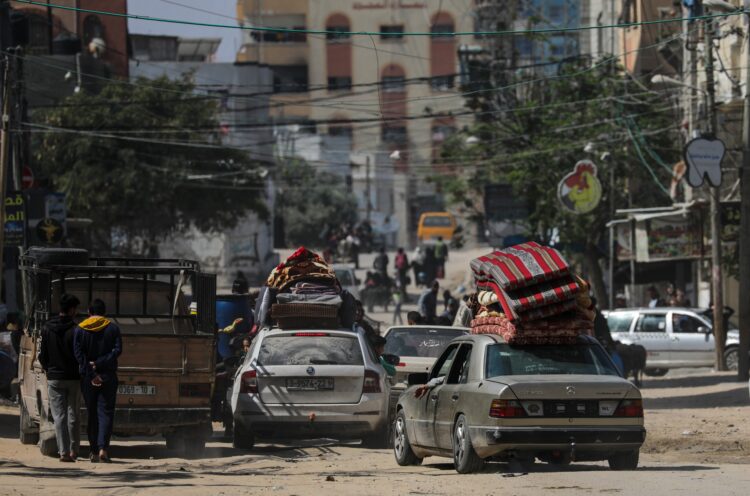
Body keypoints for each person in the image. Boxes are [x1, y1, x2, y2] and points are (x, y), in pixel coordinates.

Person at [74, 299, 122, 463]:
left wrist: (90, 370)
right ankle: (103, 449)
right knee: (106, 413)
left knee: (92, 413)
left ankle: (93, 451)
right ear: (105, 312)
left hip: (88, 377)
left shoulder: (80, 329)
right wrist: (100, 363)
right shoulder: (113, 328)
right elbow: (117, 350)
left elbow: (78, 354)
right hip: (108, 375)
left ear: (89, 311)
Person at [38, 294, 81, 463]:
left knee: (59, 416)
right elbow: (80, 354)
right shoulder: (76, 330)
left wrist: (49, 369)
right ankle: (74, 451)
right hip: (73, 378)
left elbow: (42, 356)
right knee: (74, 415)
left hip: (54, 378)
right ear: (71, 310)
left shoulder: (46, 328)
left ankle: (63, 452)